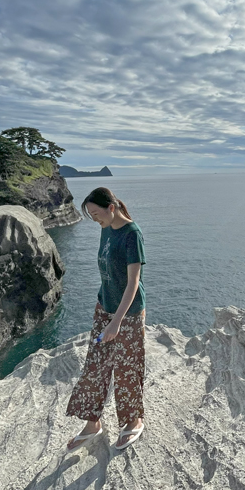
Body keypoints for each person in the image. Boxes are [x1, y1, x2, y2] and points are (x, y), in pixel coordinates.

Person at [65, 187, 148, 451]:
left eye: (96, 214)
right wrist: (105, 314)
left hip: (129, 314)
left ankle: (133, 421)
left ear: (111, 208)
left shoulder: (132, 235)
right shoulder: (106, 229)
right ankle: (93, 423)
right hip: (105, 308)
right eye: (90, 215)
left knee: (126, 369)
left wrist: (117, 322)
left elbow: (133, 282)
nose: (94, 220)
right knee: (95, 365)